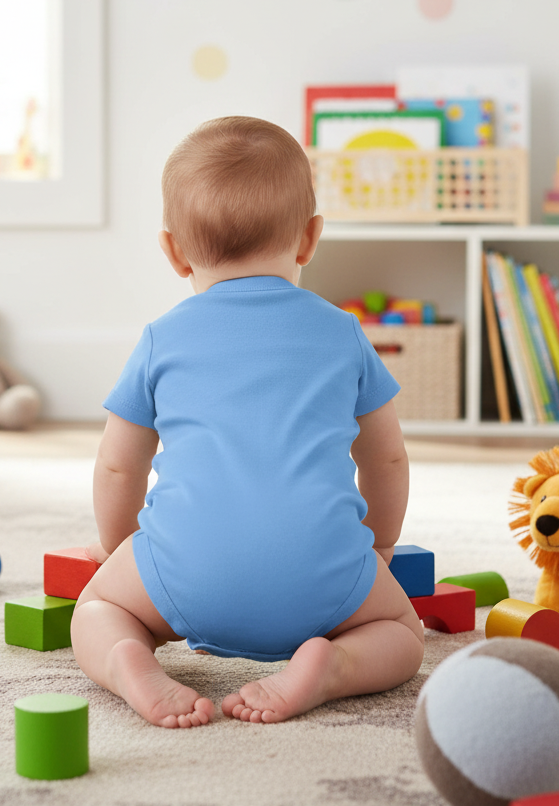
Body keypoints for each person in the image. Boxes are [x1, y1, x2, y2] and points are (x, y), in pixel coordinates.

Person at [70, 116, 423, 728]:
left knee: (97, 607)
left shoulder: (162, 339)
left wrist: (120, 549)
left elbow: (117, 463)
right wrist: (382, 546)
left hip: (182, 574)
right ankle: (330, 665)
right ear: (310, 238)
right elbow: (386, 459)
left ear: (174, 251)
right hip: (325, 575)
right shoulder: (342, 334)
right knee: (402, 633)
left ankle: (131, 660)